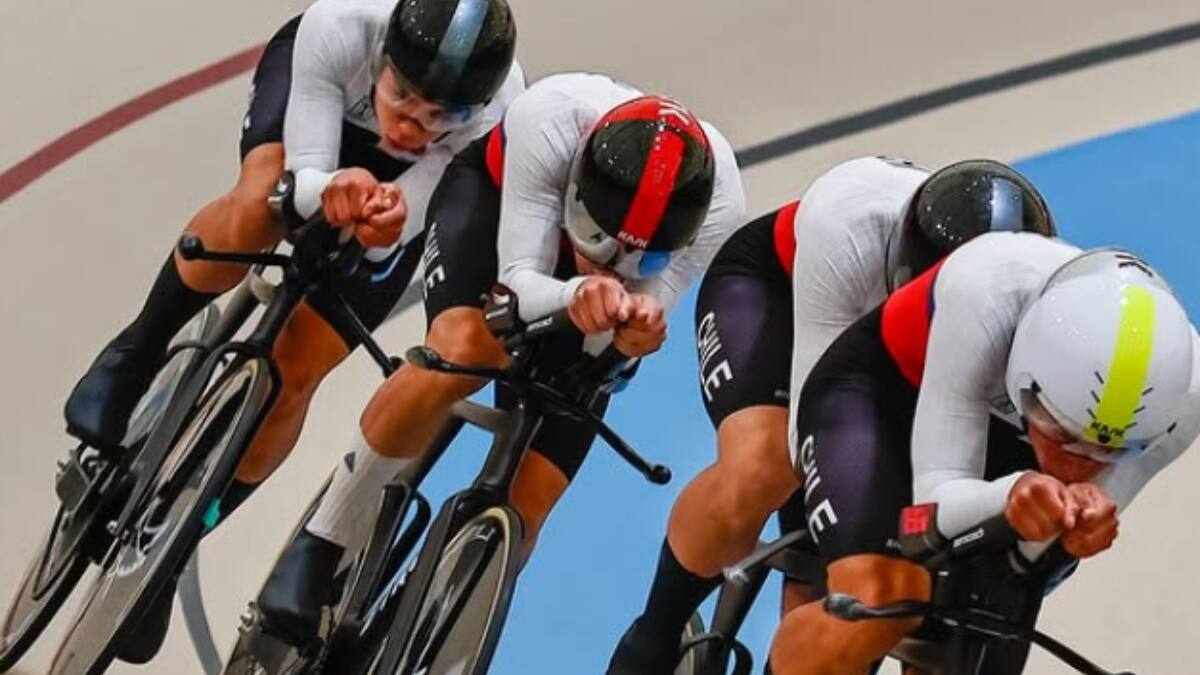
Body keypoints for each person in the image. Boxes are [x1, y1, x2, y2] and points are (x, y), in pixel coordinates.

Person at [63, 0, 522, 662]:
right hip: (321, 124)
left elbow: (414, 220)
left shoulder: (498, 118)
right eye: (402, 96)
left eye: (439, 117)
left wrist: (379, 230)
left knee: (296, 370)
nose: (412, 125)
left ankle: (176, 545)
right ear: (383, 60)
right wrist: (322, 190)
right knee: (255, 207)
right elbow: (301, 176)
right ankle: (135, 352)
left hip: (403, 193)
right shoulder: (342, 26)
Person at [251, 71, 747, 647]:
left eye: (641, 252)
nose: (605, 257)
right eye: (597, 234)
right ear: (577, 186)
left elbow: (621, 346)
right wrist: (574, 294)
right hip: (498, 216)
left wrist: (630, 338)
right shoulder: (551, 116)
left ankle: (425, 626)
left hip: (588, 298)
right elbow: (516, 289)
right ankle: (322, 541)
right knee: (461, 350)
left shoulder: (719, 205)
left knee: (532, 497)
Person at [607, 157, 1057, 674]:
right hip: (781, 297)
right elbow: (815, 424)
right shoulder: (850, 222)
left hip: (903, 364)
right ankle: (653, 639)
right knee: (766, 466)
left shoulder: (1034, 314)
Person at [770, 235, 1199, 675]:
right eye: (1061, 431)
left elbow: (1027, 564)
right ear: (1024, 377)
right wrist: (1012, 494)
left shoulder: (1186, 399)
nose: (1073, 465)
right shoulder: (987, 289)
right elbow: (930, 510)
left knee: (982, 637)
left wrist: (1073, 534)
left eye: (1108, 450)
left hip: (1009, 449)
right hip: (883, 399)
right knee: (883, 599)